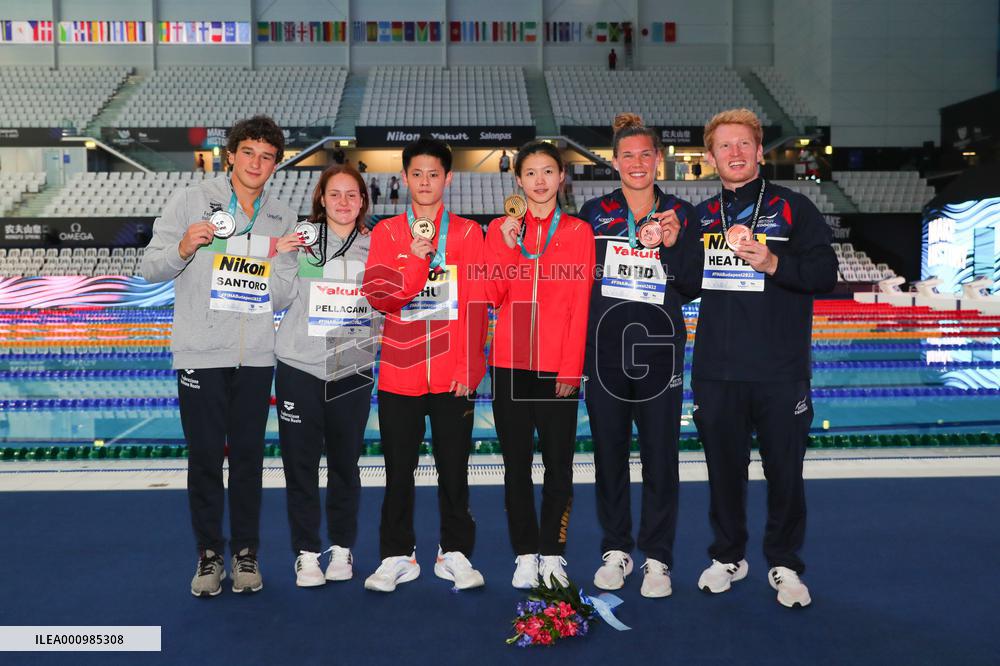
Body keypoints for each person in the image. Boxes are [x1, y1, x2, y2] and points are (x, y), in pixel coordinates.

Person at [140, 116, 298, 597]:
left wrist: (255, 276)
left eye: (267, 156)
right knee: (206, 458)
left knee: (249, 460)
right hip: (201, 352)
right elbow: (149, 267)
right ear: (231, 154)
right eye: (248, 152)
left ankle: (246, 553)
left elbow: (286, 291)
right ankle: (209, 556)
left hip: (255, 358)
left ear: (276, 164)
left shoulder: (282, 218)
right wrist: (184, 247)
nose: (256, 163)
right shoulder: (191, 200)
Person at [691, 108, 838, 608]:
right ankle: (728, 554)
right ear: (710, 158)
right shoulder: (702, 217)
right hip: (717, 372)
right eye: (724, 146)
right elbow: (683, 282)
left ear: (759, 151)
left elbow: (825, 273)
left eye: (743, 144)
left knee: (785, 473)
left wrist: (772, 261)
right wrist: (665, 247)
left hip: (779, 371)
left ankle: (784, 562)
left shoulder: (795, 208)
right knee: (723, 472)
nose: (735, 153)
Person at [577, 113, 701, 599]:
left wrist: (672, 246)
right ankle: (616, 548)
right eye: (627, 155)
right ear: (615, 162)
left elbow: (692, 285)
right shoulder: (593, 212)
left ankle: (658, 557)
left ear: (659, 159)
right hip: (605, 353)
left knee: (659, 457)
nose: (636, 163)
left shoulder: (680, 213)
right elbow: (579, 280)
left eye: (645, 154)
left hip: (659, 352)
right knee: (609, 456)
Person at [361, 138, 488, 593]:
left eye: (435, 174)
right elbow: (382, 296)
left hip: (453, 373)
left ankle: (454, 551)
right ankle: (398, 554)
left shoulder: (471, 235)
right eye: (417, 174)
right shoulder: (386, 233)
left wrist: (470, 368)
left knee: (455, 469)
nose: (426, 182)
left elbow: (476, 305)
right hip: (401, 371)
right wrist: (416, 263)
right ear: (404, 178)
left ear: (448, 178)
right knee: (398, 471)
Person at [483, 141, 594, 589]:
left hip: (556, 367)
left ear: (561, 177)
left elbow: (580, 304)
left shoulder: (578, 232)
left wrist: (571, 369)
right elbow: (492, 296)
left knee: (558, 466)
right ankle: (525, 553)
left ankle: (553, 551)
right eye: (531, 173)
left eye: (548, 171)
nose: (540, 181)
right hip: (511, 363)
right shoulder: (500, 229)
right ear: (518, 180)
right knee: (516, 465)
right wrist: (508, 246)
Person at [270, 164, 376, 587]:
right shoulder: (303, 243)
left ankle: (343, 549)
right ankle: (307, 552)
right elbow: (276, 298)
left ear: (364, 201)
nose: (344, 202)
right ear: (321, 199)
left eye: (352, 194)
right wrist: (281, 255)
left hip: (351, 364)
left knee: (345, 465)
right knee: (300, 466)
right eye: (335, 194)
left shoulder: (376, 245)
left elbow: (388, 301)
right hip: (299, 365)